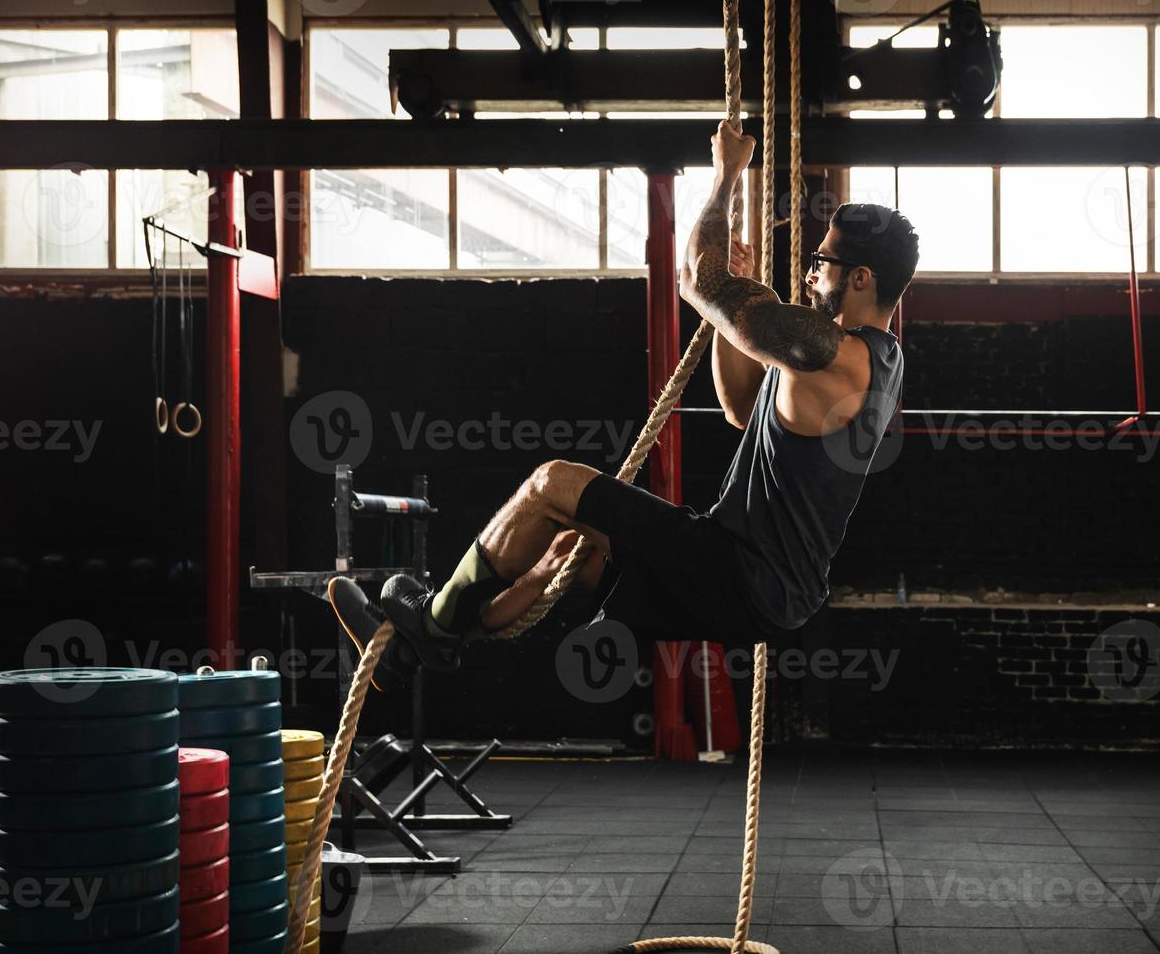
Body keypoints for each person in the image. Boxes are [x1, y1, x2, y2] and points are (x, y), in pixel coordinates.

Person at [330, 121, 914, 683]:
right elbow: (739, 406)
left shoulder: (830, 354)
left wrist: (725, 177)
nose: (811, 275)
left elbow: (700, 283)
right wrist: (729, 314)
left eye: (822, 264)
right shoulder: (877, 361)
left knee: (550, 482)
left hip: (741, 571)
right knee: (568, 546)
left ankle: (432, 623)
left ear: (860, 278)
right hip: (762, 584)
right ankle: (422, 649)